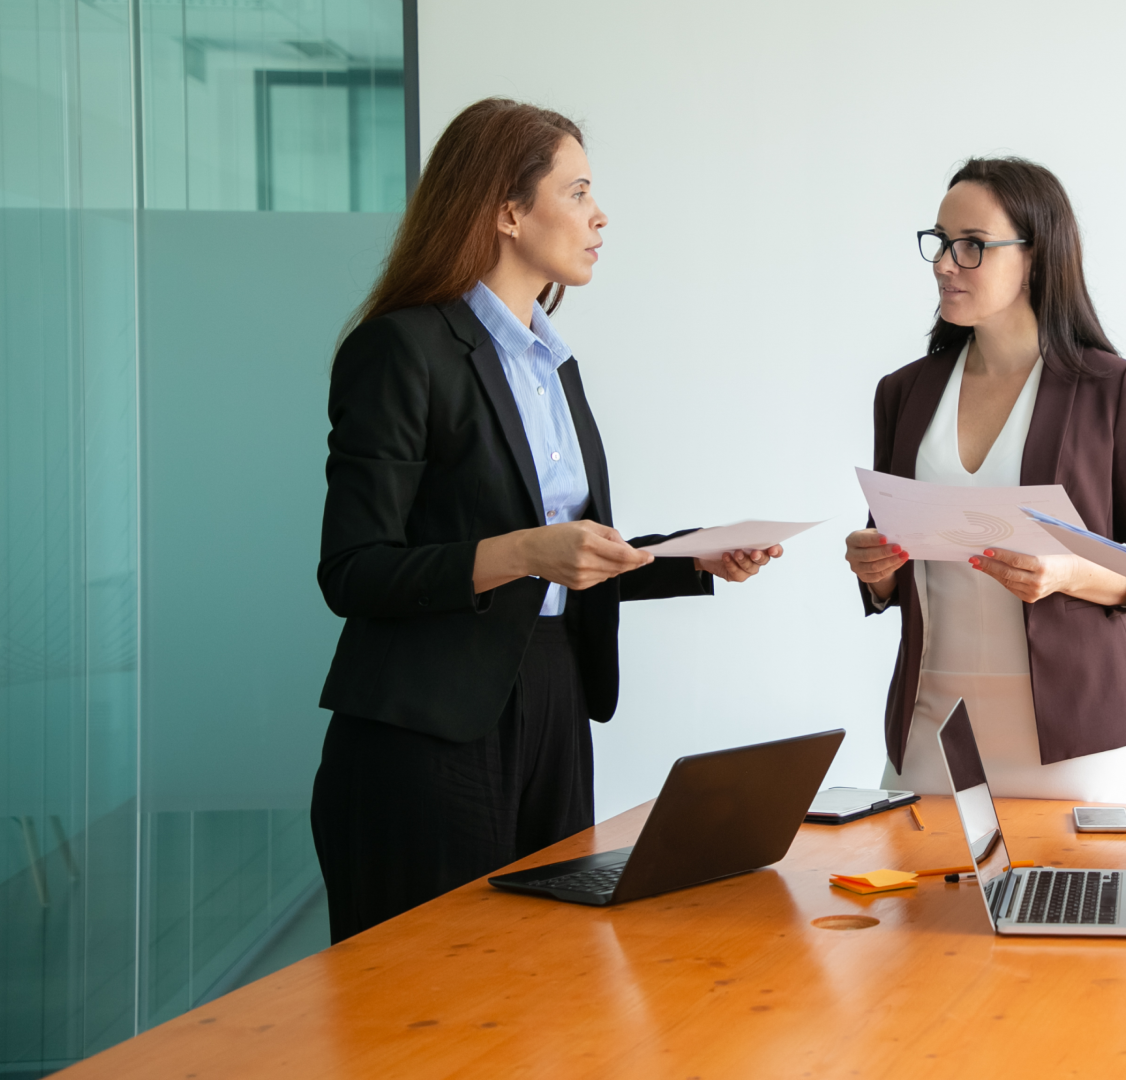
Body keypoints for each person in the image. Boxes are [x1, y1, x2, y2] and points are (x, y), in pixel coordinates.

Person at [311, 99, 780, 943]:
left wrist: (691, 560)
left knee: (546, 976)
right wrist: (525, 551)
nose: (600, 215)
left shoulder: (550, 362)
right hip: (429, 727)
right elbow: (353, 569)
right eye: (578, 190)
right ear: (507, 211)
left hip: (557, 695)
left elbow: (572, 552)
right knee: (431, 997)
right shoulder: (402, 349)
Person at [842, 157, 1126, 802]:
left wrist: (1069, 573)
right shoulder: (904, 392)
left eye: (972, 246)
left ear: (1035, 257)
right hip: (931, 731)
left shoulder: (1111, 388)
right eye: (940, 243)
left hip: (1074, 739)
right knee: (916, 904)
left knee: (1066, 904)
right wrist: (876, 567)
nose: (945, 263)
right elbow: (891, 561)